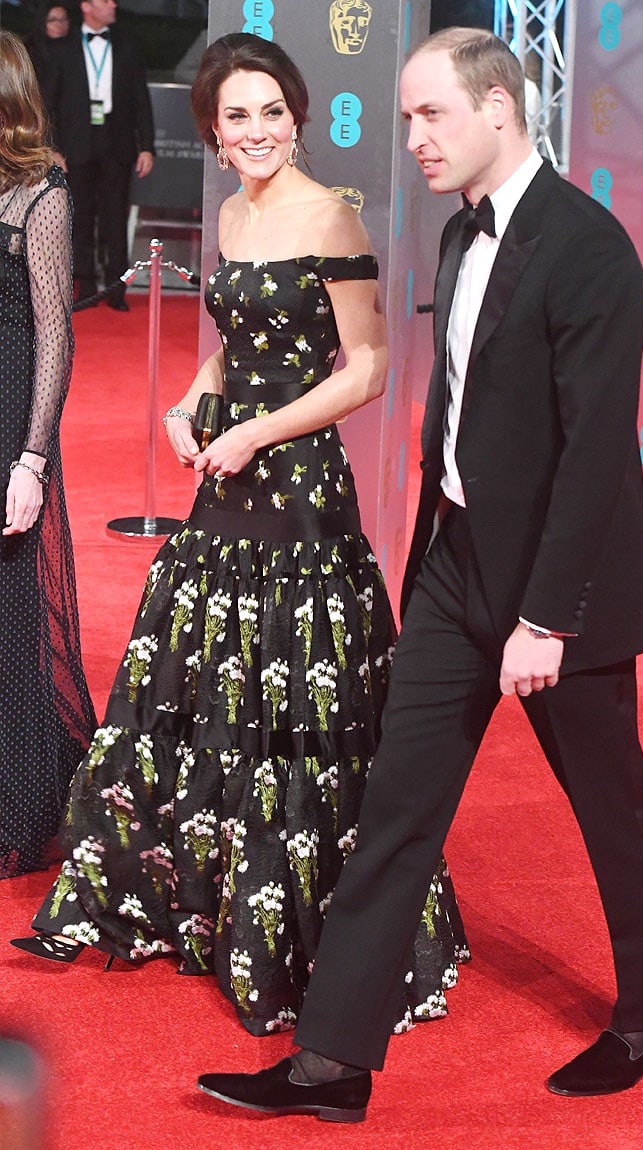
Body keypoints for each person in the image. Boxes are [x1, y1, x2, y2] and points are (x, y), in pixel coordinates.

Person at [193, 27, 643, 1122]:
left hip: (564, 593)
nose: (409, 137)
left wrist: (548, 619)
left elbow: (595, 455)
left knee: (609, 804)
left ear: (499, 107)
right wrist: (440, 570)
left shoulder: (589, 248)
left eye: (430, 115)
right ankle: (330, 1065)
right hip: (457, 571)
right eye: (408, 117)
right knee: (398, 806)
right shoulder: (463, 239)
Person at [11, 31, 468, 1037]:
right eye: (236, 117)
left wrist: (256, 430)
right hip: (225, 483)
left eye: (271, 112)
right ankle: (169, 893)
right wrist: (188, 403)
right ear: (212, 134)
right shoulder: (232, 213)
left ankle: (300, 925)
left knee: (289, 700)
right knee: (199, 682)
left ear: (296, 117)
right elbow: (233, 345)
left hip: (299, 493)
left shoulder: (329, 215)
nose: (256, 132)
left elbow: (368, 366)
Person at [0, 31, 96, 880]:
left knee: (9, 612)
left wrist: (32, 460)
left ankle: (21, 799)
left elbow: (55, 336)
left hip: (6, 419)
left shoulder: (42, 193)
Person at [38, 0, 155, 311]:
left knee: (116, 218)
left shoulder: (128, 46)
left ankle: (117, 289)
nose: (113, 5)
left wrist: (147, 146)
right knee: (80, 218)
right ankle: (85, 286)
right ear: (87, 6)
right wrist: (53, 149)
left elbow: (141, 99)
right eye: (105, 0)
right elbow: (49, 103)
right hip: (76, 145)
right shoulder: (62, 49)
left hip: (117, 144)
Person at [24, 3, 72, 84]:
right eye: (52, 20)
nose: (59, 25)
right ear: (42, 22)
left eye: (64, 19)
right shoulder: (30, 51)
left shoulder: (76, 49)